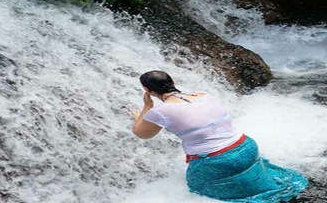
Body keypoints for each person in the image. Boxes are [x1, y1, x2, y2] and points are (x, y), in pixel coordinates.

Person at [132, 70, 308, 202]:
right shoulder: (203, 94)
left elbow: (141, 133)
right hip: (247, 147)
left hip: (216, 161)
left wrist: (147, 108)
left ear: (147, 90)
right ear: (173, 81)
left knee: (200, 193)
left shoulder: (159, 112)